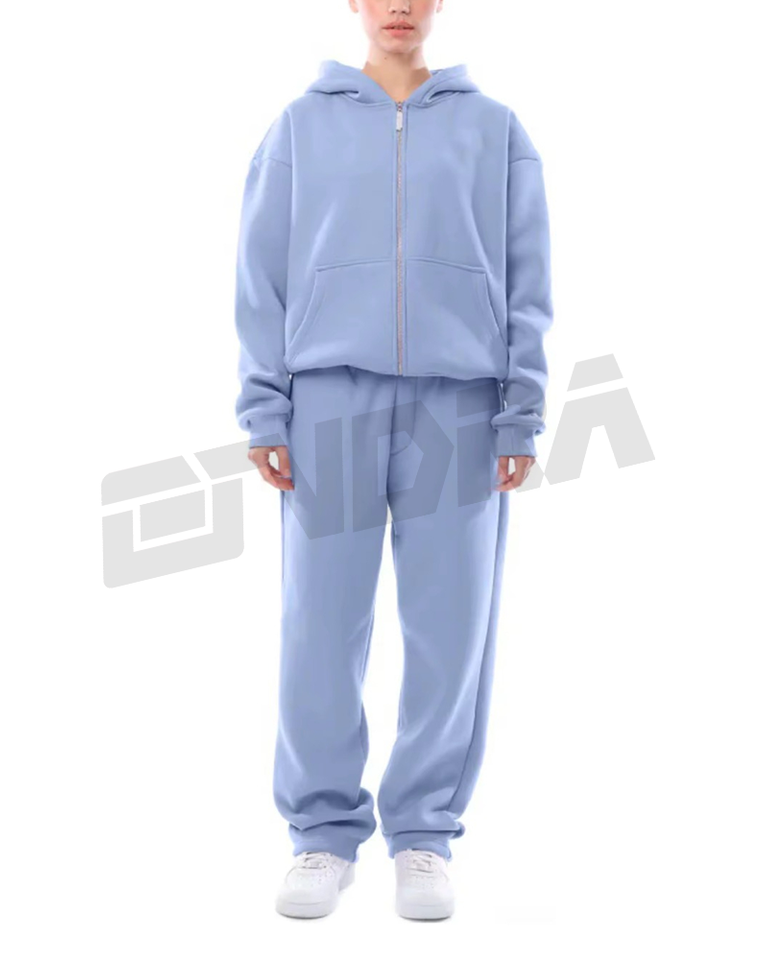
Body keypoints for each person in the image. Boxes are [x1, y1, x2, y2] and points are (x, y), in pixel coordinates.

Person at [234, 1, 552, 921]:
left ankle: (424, 835)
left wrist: (520, 411)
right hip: (328, 397)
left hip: (461, 403)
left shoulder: (496, 130)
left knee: (451, 628)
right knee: (320, 625)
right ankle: (322, 835)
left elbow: (529, 276)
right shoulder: (300, 125)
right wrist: (265, 405)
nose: (400, 6)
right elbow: (260, 274)